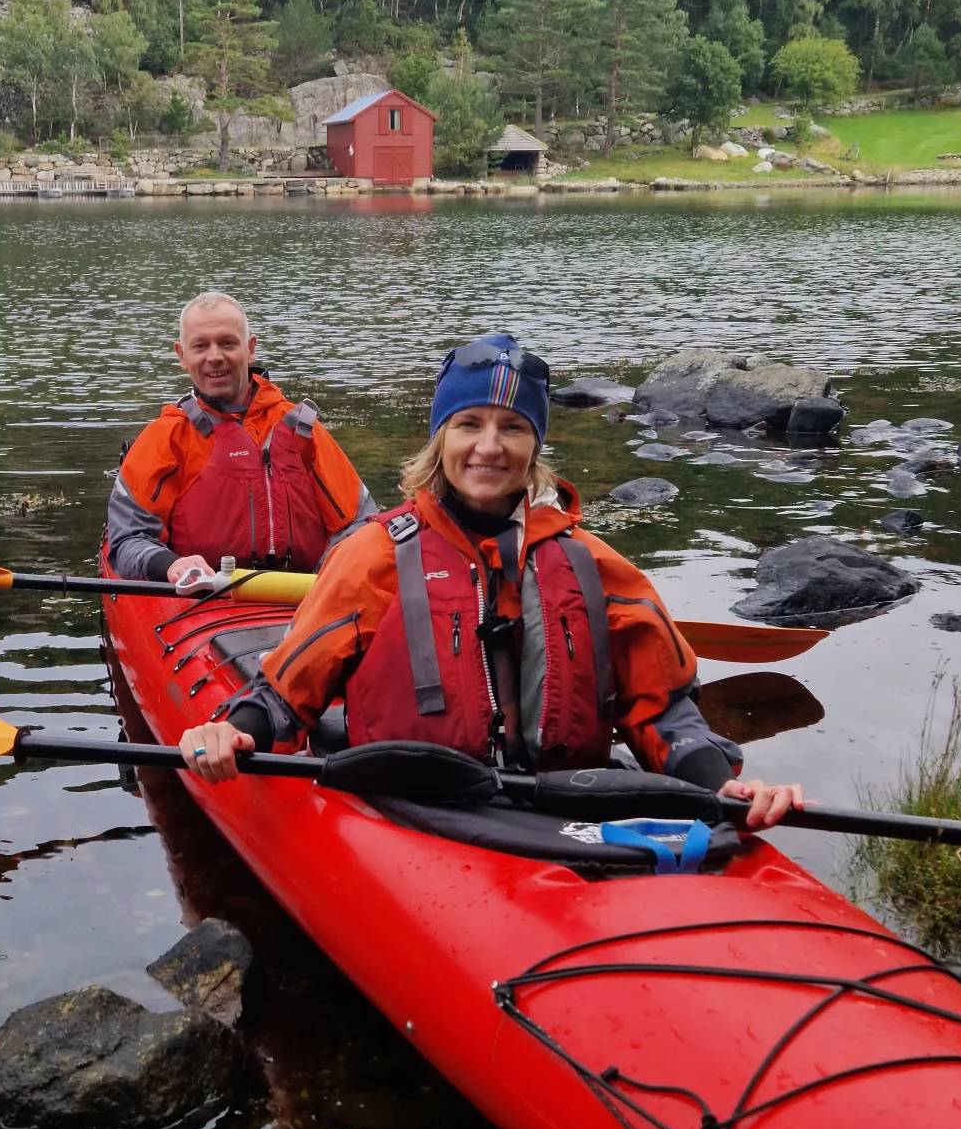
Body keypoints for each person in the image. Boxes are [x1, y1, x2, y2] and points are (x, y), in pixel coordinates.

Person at [179, 331, 803, 827]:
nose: (489, 447)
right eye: (469, 424)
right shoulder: (372, 558)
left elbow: (663, 709)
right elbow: (287, 694)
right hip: (417, 810)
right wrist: (234, 730)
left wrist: (719, 783)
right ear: (440, 438)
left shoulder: (594, 564)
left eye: (512, 428)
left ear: (535, 448)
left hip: (567, 813)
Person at [106, 290, 376, 593]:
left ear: (250, 349)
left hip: (303, 595)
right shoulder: (165, 439)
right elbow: (129, 540)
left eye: (227, 343)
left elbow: (359, 524)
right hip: (200, 599)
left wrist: (331, 577)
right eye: (200, 346)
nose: (214, 356)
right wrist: (169, 564)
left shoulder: (302, 430)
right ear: (182, 355)